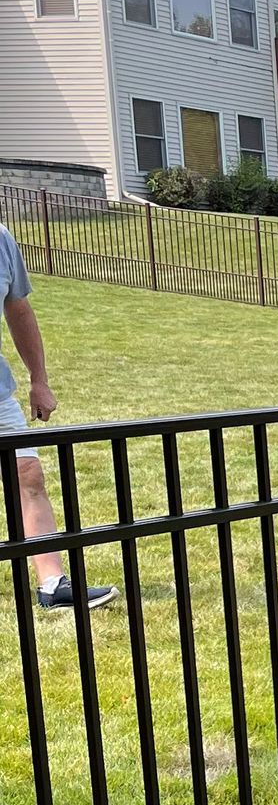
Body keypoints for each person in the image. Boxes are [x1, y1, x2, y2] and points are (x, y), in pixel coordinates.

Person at [0, 221, 115, 613]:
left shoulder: (1, 240)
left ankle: (52, 585)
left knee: (27, 472)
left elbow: (18, 309)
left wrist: (39, 380)